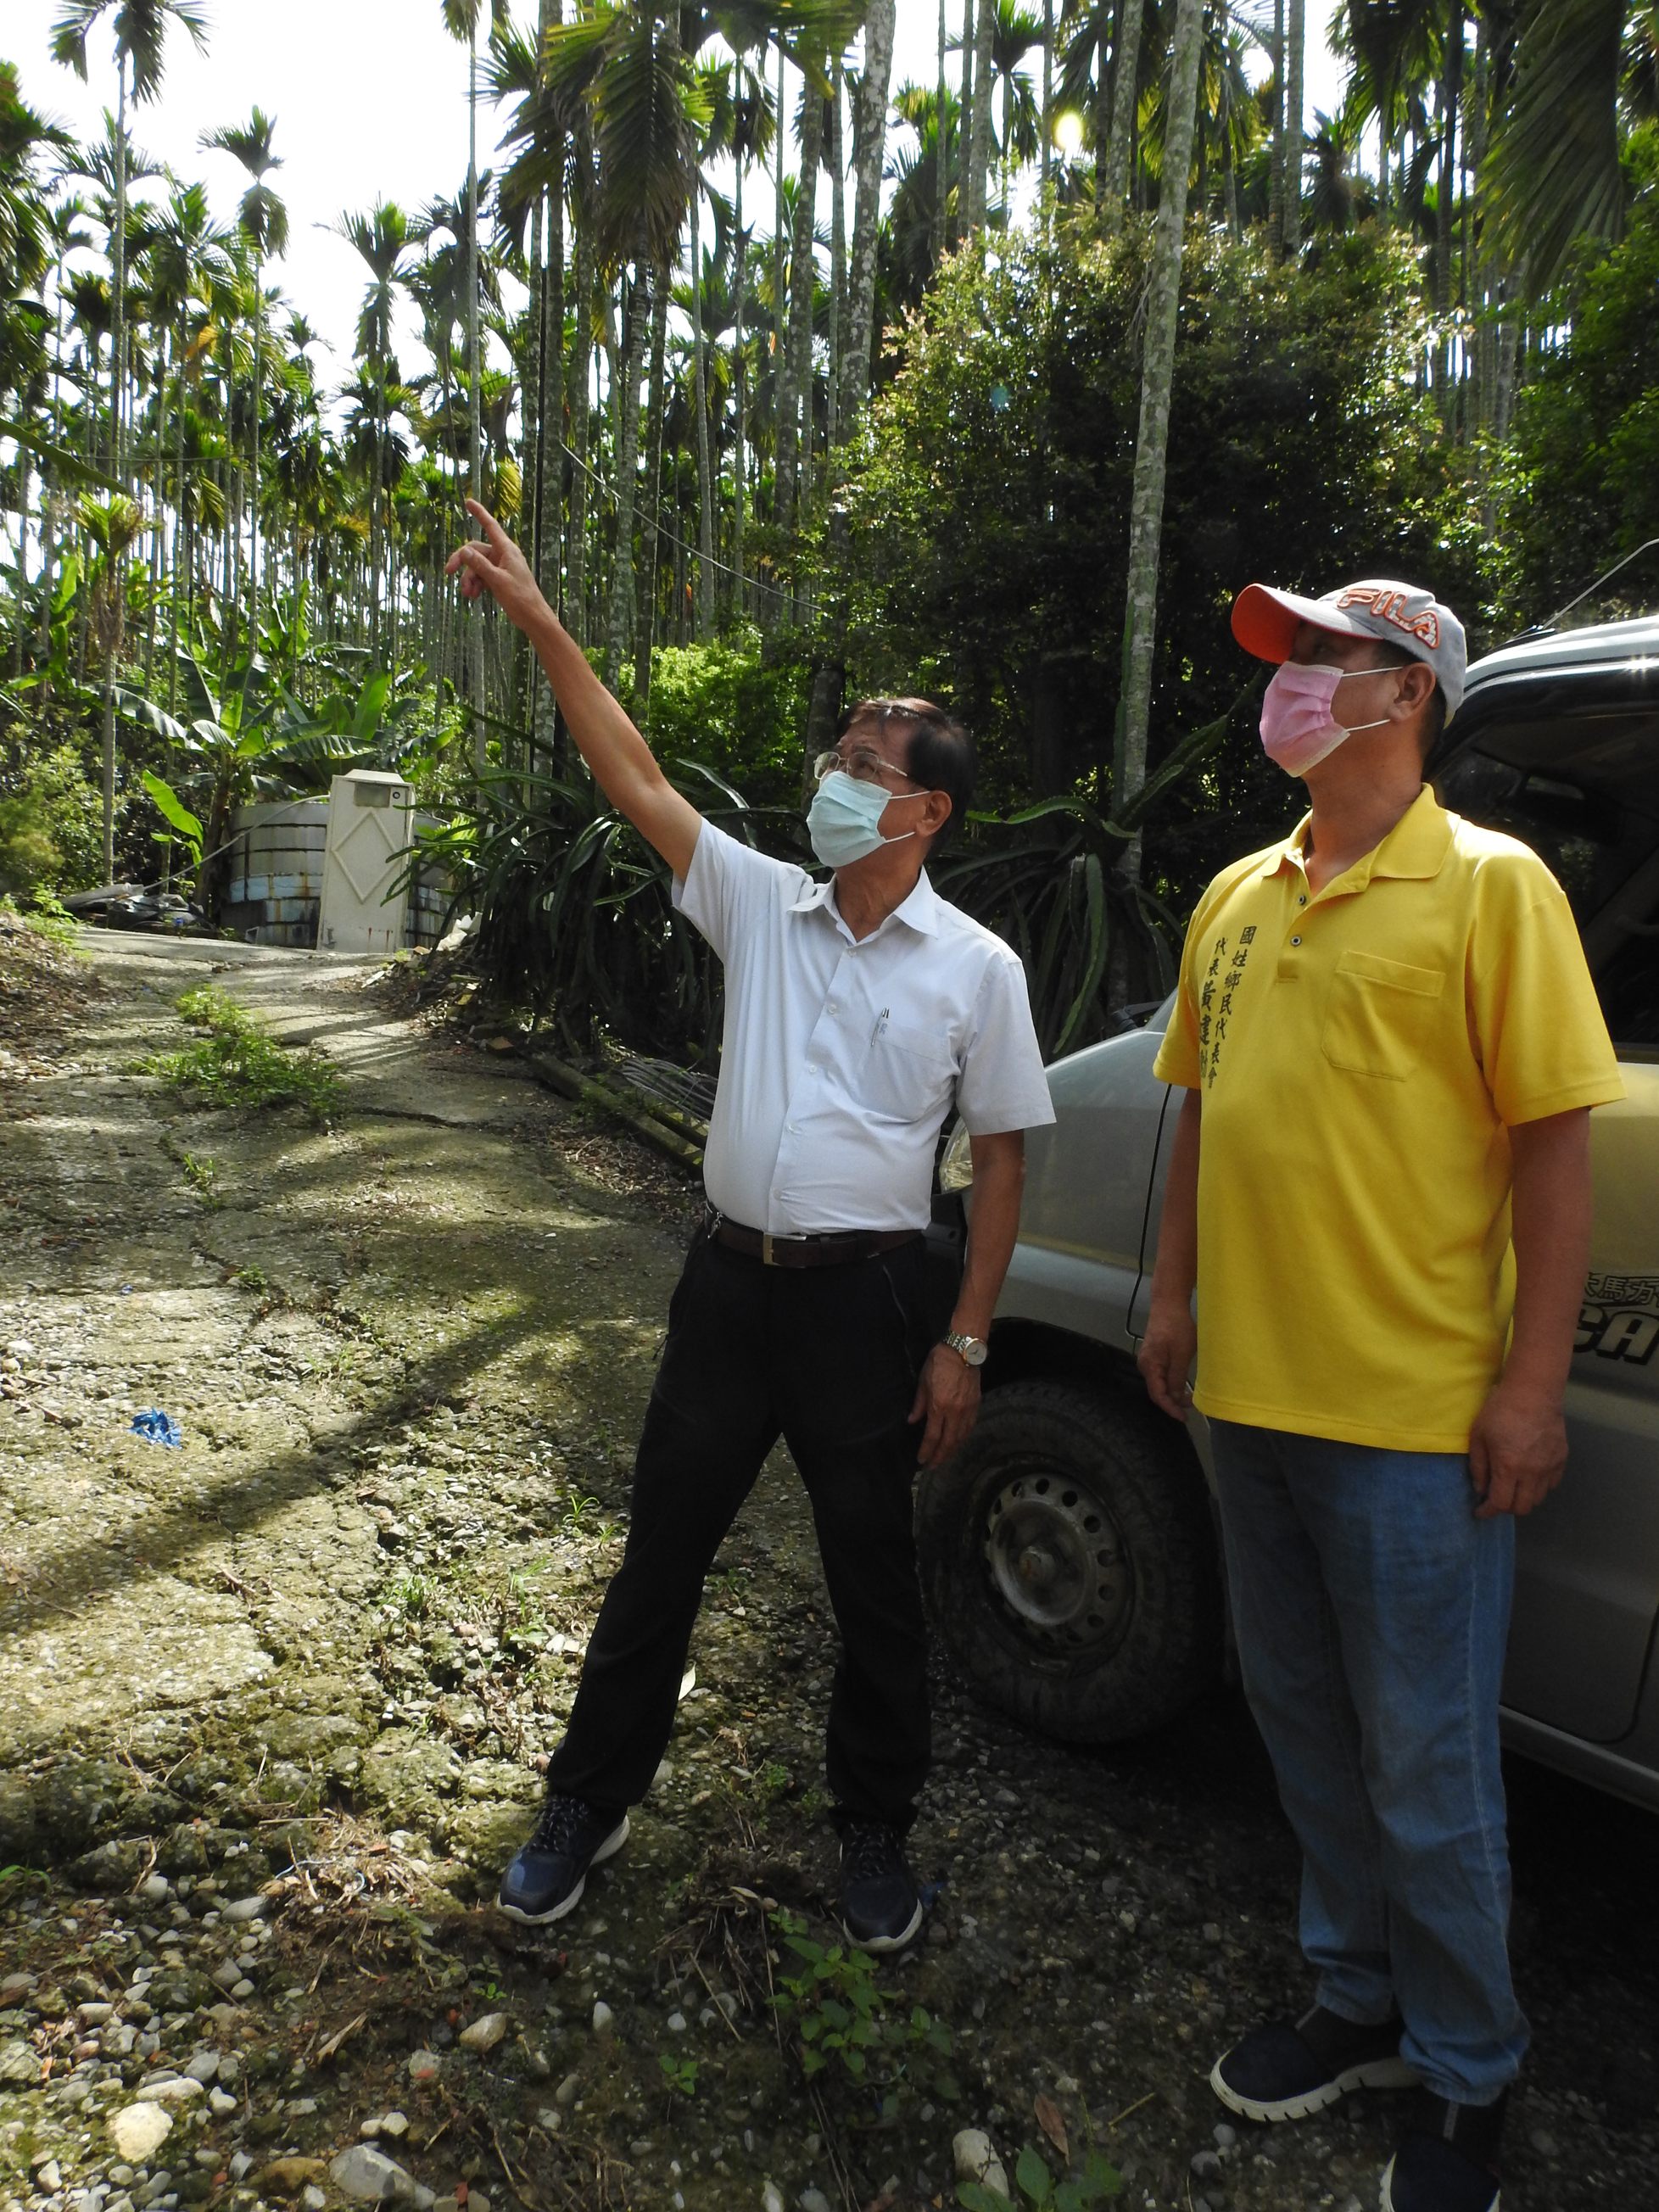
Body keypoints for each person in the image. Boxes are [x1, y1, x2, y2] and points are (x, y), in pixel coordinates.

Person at [445, 500, 1054, 1951]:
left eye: (866, 767)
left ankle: (875, 1834)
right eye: (836, 756)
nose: (835, 779)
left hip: (867, 1309)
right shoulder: (762, 902)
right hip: (728, 1290)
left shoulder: (979, 970)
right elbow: (634, 772)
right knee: (662, 1552)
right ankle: (586, 1803)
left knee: (872, 1580)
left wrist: (966, 1341)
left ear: (927, 813)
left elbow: (1004, 1165)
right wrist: (542, 623)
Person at [1137, 578, 1624, 2212]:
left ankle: (1470, 2067)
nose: (1291, 681)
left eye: (1324, 658)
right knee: (1299, 1724)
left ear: (1408, 692)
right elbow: (1199, 1109)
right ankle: (1354, 1997)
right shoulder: (1239, 892)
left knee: (1427, 1765)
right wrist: (1171, 1296)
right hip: (1250, 1399)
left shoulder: (1493, 887)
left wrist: (1533, 1388)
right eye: (1289, 657)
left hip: (1414, 1426)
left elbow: (1553, 1149)